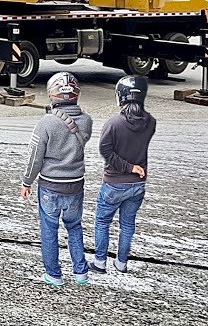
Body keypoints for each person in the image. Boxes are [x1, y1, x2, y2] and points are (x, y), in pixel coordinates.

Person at [20, 72, 93, 286]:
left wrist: (27, 182)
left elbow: (35, 157)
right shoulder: (87, 121)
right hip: (76, 185)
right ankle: (81, 272)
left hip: (50, 186)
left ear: (52, 95)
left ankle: (54, 274)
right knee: (74, 227)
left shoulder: (46, 123)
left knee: (49, 230)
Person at [93, 75, 156, 275]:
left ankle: (100, 263)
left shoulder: (114, 123)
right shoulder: (151, 122)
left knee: (102, 222)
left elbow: (105, 151)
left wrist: (127, 167)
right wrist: (133, 169)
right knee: (127, 224)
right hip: (138, 185)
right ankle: (121, 264)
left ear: (121, 96)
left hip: (114, 183)